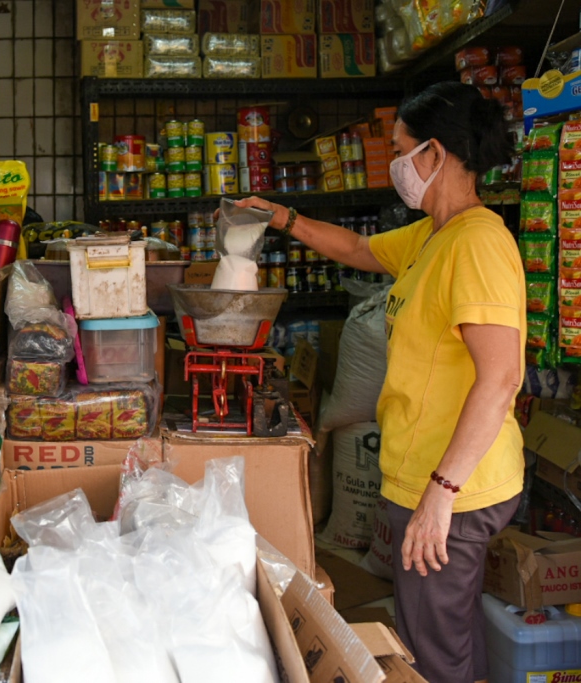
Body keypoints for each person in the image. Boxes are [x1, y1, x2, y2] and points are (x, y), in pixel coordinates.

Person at [233, 82, 524, 683]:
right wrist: (282, 216)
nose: (395, 166)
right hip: (426, 476)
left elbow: (501, 379)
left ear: (436, 154)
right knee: (444, 634)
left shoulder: (478, 244)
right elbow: (360, 248)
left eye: (401, 151)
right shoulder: (433, 236)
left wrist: (440, 496)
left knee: (433, 651)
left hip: (454, 488)